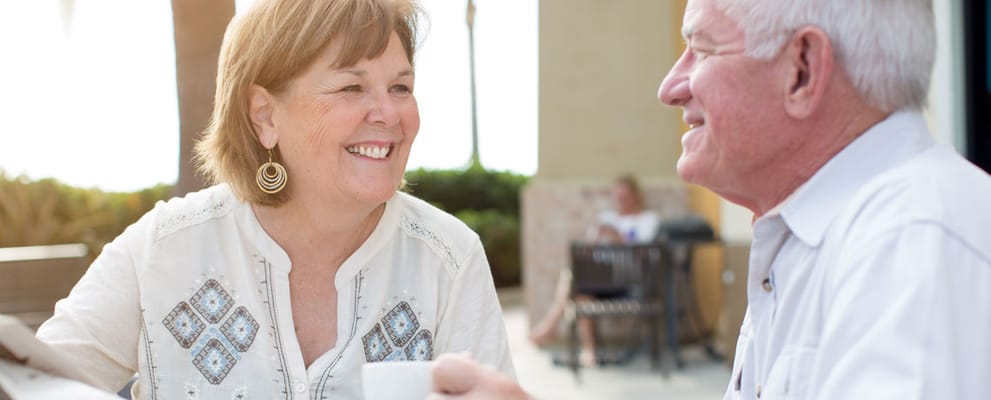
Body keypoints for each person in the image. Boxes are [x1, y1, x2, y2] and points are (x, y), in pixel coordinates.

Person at [431, 0, 991, 398]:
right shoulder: (823, 236)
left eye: (700, 48)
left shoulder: (911, 248)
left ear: (802, 69)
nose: (670, 87)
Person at [35, 0, 515, 398]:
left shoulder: (448, 258)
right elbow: (31, 383)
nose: (389, 113)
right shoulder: (162, 249)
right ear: (265, 115)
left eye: (400, 87)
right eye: (352, 87)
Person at [528, 174, 660, 367]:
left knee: (576, 281)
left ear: (636, 196)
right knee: (579, 286)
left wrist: (619, 238)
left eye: (625, 196)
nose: (621, 201)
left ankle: (551, 325)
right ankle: (589, 350)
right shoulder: (606, 219)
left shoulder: (648, 220)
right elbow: (586, 252)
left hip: (629, 280)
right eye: (618, 197)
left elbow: (647, 256)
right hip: (601, 277)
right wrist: (596, 238)